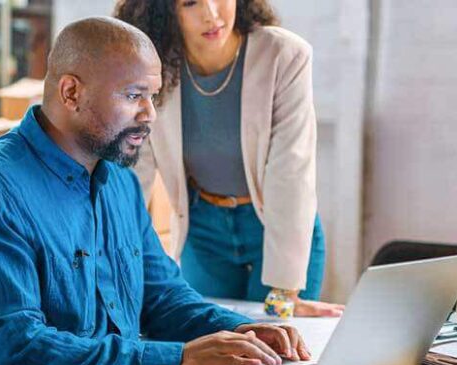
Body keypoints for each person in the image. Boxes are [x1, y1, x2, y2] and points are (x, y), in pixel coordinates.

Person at [0, 17, 311, 365]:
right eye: (134, 95)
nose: (149, 114)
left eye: (152, 96)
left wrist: (244, 332)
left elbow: (163, 299)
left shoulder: (119, 184)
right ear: (71, 92)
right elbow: (19, 350)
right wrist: (180, 358)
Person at [114, 0, 344, 316]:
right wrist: (118, 272)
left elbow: (291, 171)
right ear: (164, 10)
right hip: (203, 229)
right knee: (214, 345)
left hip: (277, 224)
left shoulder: (285, 55)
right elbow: (131, 176)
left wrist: (284, 292)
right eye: (191, 3)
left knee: (276, 344)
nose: (211, 13)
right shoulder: (153, 66)